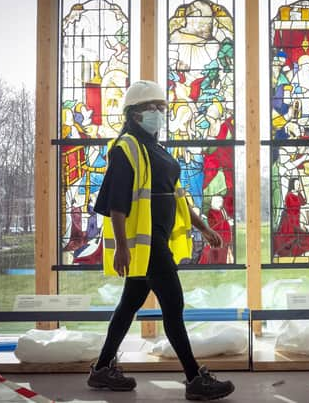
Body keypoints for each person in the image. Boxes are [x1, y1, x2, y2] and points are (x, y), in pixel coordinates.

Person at [88, 80, 235, 401]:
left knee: (128, 305)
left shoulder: (156, 148)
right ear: (133, 114)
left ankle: (101, 369)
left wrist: (204, 226)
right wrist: (123, 247)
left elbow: (178, 196)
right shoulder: (125, 147)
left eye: (161, 107)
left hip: (159, 240)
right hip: (147, 244)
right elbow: (117, 201)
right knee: (174, 304)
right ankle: (195, 378)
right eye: (151, 108)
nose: (158, 113)